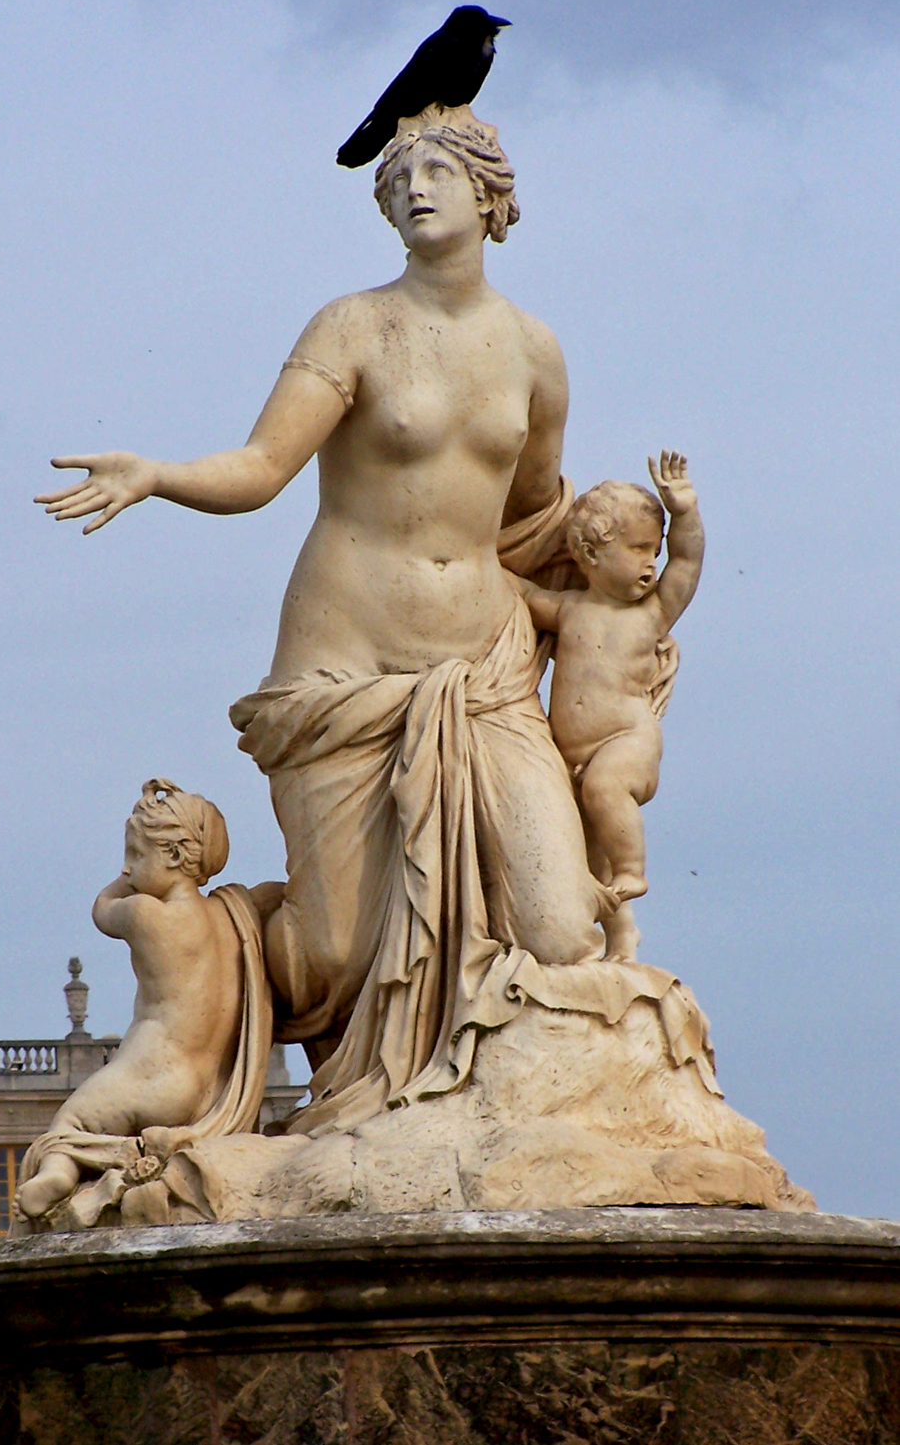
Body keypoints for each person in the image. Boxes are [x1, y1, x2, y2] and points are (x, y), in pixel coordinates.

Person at [36, 106, 675, 1137]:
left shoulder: (534, 352)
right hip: (345, 664)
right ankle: (210, 956)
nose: (414, 188)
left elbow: (534, 516)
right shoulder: (352, 326)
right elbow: (262, 468)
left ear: (489, 196)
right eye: (399, 177)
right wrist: (155, 472)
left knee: (560, 930)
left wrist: (633, 605)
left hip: (484, 671)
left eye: (437, 171)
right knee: (332, 954)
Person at [15, 780, 242, 1220]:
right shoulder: (229, 920)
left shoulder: (144, 913)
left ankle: (59, 1174)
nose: (126, 867)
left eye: (135, 855)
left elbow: (102, 908)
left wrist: (125, 882)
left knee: (70, 1126)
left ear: (173, 855)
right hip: (208, 1091)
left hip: (149, 1072)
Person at [518, 453, 704, 960]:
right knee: (585, 857)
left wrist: (684, 513)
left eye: (655, 550)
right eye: (639, 549)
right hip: (570, 756)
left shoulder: (652, 613)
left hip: (626, 742)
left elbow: (687, 564)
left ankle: (633, 870)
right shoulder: (569, 609)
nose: (651, 562)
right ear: (590, 553)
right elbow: (520, 592)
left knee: (605, 790)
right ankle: (621, 936)